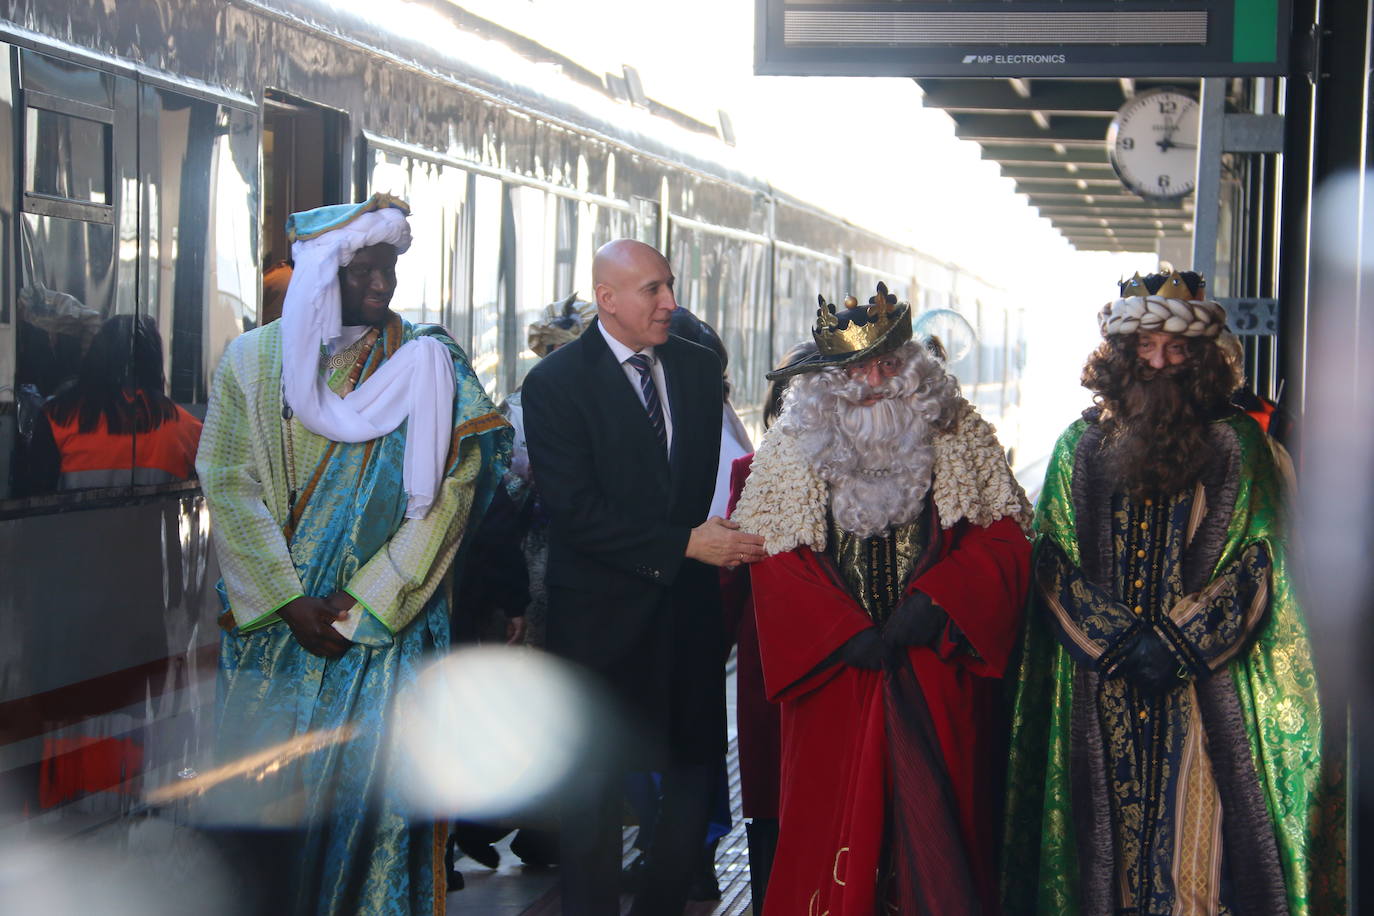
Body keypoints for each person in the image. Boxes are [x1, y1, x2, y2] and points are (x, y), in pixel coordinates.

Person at [196, 193, 510, 916]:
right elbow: (228, 482)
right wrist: (285, 598)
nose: (381, 287)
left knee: (371, 826)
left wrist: (372, 597)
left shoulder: (428, 362)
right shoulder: (250, 363)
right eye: (361, 272)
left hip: (374, 639)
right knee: (264, 823)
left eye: (389, 269)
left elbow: (457, 488)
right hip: (275, 637)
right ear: (315, 279)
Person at [1001, 271, 1344, 916]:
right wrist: (1122, 644)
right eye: (1145, 347)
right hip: (1100, 687)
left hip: (1204, 691)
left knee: (1199, 856)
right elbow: (1051, 564)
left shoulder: (1241, 445)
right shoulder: (1079, 446)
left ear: (1202, 355)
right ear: (1121, 356)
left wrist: (1179, 644)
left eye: (1175, 347)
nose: (1159, 362)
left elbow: (1261, 560)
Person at [732, 283, 1032, 915]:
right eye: (856, 368)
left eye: (888, 363)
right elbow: (771, 552)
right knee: (829, 823)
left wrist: (940, 601)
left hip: (933, 671)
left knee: (938, 826)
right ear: (830, 376)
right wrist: (839, 632)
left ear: (913, 364)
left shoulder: (961, 432)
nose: (873, 380)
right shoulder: (793, 443)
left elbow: (1007, 538)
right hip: (835, 681)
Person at [521, 238, 766, 915]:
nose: (671, 303)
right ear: (608, 300)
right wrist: (684, 544)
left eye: (670, 285)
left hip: (686, 612)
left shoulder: (694, 368)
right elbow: (576, 513)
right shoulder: (554, 384)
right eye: (653, 290)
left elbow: (693, 481)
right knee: (593, 786)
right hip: (598, 619)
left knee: (693, 771)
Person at [719, 338, 816, 911]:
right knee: (781, 797)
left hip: (775, 663)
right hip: (775, 665)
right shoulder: (749, 471)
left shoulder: (750, 469)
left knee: (782, 798)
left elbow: (731, 581)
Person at [18, 314, 202, 493]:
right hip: (154, 524)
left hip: (75, 525)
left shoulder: (57, 418)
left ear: (94, 357)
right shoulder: (187, 428)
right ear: (154, 361)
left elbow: (34, 498)